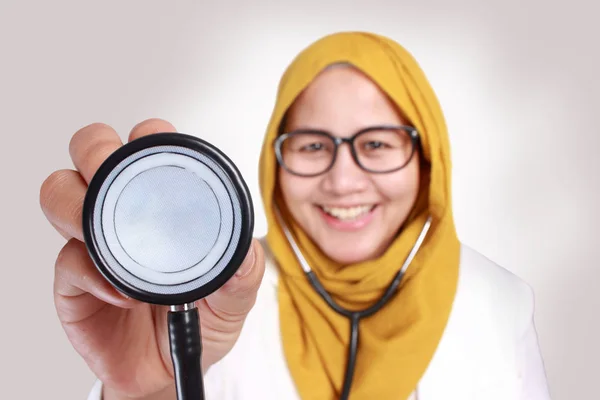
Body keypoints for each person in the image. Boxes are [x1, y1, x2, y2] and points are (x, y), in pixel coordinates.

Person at [40, 31, 552, 399]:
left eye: (376, 143)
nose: (343, 180)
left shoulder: (500, 302)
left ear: (428, 158)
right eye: (311, 145)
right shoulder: (211, 299)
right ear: (273, 161)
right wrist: (145, 393)